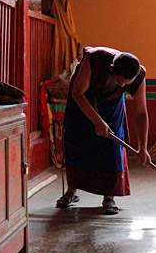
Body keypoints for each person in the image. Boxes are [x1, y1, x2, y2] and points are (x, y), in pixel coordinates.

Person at [56, 46, 150, 215]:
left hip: (111, 106)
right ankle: (71, 192)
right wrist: (97, 121)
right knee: (77, 144)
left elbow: (141, 112)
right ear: (111, 69)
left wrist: (143, 147)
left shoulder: (139, 75)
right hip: (82, 102)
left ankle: (109, 197)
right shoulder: (94, 59)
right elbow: (78, 93)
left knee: (111, 147)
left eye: (126, 84)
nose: (122, 86)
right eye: (119, 81)